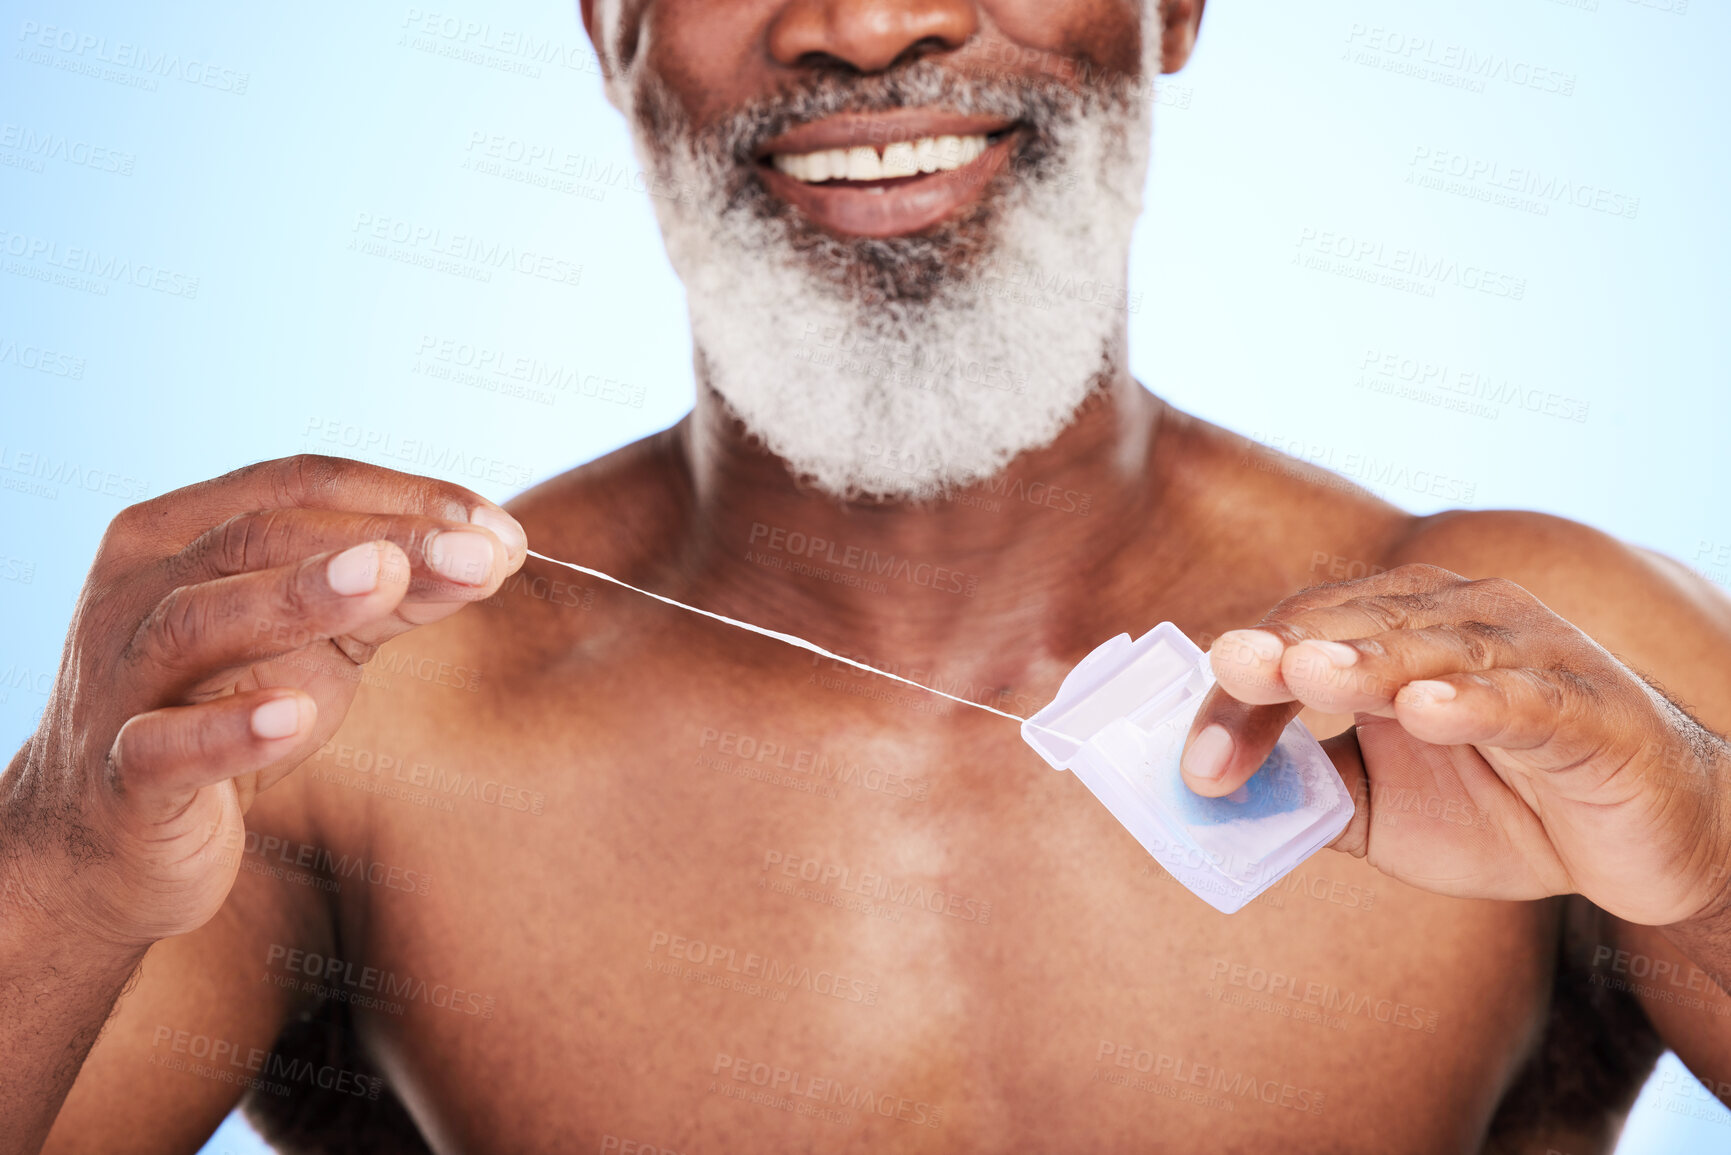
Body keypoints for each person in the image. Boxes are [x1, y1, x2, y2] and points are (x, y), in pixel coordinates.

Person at [5, 2, 1730, 1152]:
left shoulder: (1553, 698)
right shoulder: (345, 736)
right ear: (607, 20)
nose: (864, 20)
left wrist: (1712, 866)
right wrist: (59, 867)